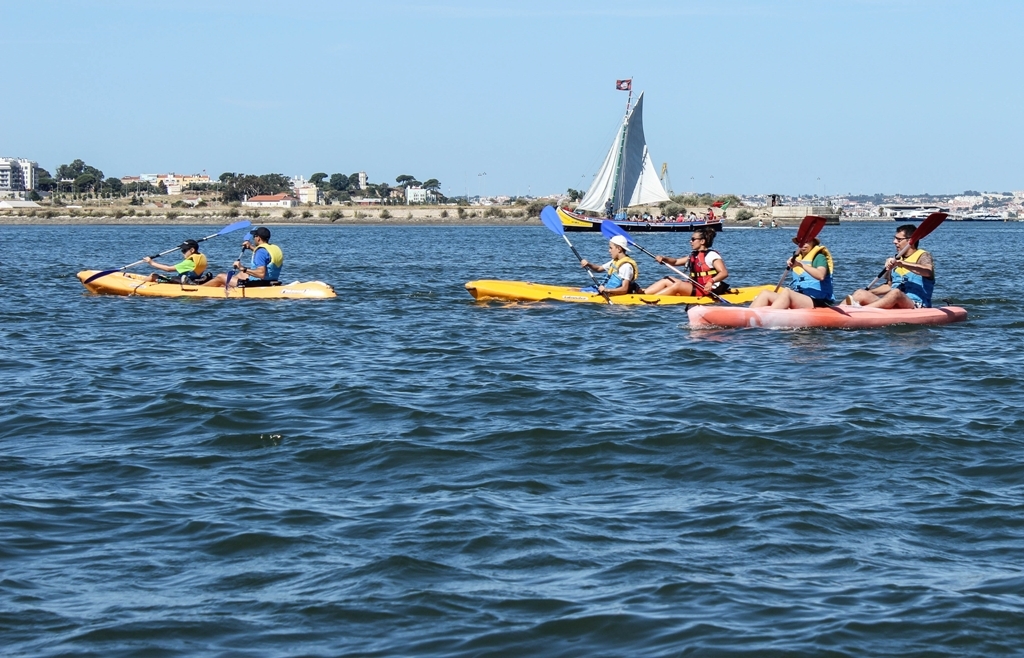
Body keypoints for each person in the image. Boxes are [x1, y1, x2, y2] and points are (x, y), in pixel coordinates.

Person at [845, 223, 934, 308]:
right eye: (895, 238)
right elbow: (889, 286)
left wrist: (901, 264)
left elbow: (927, 271)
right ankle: (838, 310)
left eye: (899, 239)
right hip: (894, 302)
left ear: (911, 241)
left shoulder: (923, 255)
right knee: (860, 292)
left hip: (917, 304)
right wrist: (869, 292)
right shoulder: (895, 260)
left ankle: (861, 311)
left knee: (896, 293)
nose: (894, 242)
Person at [749, 236, 835, 308]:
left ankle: (767, 317)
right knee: (765, 294)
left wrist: (800, 264)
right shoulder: (798, 257)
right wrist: (795, 263)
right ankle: (746, 318)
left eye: (807, 241)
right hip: (801, 298)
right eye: (801, 242)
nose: (803, 245)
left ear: (813, 242)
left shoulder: (819, 257)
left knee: (787, 292)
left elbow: (820, 276)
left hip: (819, 301)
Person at [642, 227, 729, 297]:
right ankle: (643, 294)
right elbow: (675, 262)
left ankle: (652, 300)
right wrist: (664, 258)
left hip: (706, 289)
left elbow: (724, 273)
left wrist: (711, 281)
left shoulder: (711, 255)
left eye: (693, 239)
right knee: (667, 279)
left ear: (702, 241)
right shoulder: (693, 255)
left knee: (678, 285)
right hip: (695, 286)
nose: (690, 241)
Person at [203, 226, 284, 288]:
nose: (253, 238)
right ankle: (225, 286)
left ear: (258, 238)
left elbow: (261, 274)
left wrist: (242, 268)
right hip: (272, 279)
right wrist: (250, 247)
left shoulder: (260, 252)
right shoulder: (273, 248)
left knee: (220, 277)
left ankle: (200, 289)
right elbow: (265, 256)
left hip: (259, 283)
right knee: (241, 274)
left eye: (254, 236)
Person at [144, 239, 210, 283]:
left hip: (180, 281)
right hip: (194, 278)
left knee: (153, 275)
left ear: (192, 250)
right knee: (162, 276)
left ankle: (141, 285)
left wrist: (151, 262)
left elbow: (168, 269)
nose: (182, 252)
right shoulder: (201, 256)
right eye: (182, 250)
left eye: (184, 250)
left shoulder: (189, 262)